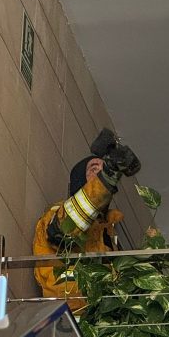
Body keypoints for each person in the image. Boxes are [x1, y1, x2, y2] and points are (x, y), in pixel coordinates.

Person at [33, 130, 141, 313]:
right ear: (79, 180)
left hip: (96, 320)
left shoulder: (108, 234)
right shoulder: (56, 214)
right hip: (67, 314)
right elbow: (64, 230)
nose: (100, 175)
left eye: (104, 170)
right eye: (94, 169)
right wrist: (109, 174)